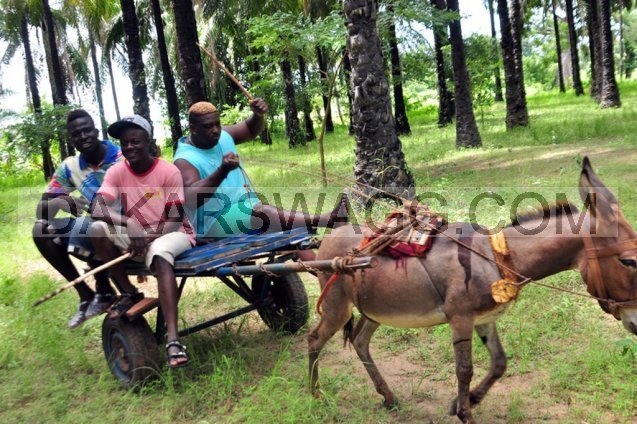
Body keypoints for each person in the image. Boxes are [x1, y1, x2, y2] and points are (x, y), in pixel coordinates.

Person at [89, 114, 195, 368]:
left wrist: (146, 238)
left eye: (135, 141)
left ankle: (172, 339)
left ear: (149, 141)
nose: (129, 147)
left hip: (174, 233)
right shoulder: (117, 171)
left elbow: (173, 220)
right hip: (138, 235)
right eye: (124, 143)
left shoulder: (168, 171)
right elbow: (97, 207)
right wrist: (129, 224)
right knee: (96, 229)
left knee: (159, 253)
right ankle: (128, 291)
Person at [173, 99, 348, 246]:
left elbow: (250, 129)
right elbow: (191, 199)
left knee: (292, 234)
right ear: (193, 127)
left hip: (246, 208)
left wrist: (258, 115)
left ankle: (323, 273)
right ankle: (328, 219)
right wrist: (222, 170)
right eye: (207, 126)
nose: (215, 130)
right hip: (214, 222)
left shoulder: (222, 135)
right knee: (265, 213)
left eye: (217, 124)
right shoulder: (185, 159)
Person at [33, 109, 121, 329]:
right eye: (76, 134)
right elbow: (41, 211)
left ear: (96, 131)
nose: (83, 137)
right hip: (96, 226)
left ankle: (105, 290)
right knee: (40, 230)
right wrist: (61, 202)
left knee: (88, 226)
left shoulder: (122, 157)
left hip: (125, 225)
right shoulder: (70, 167)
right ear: (71, 138)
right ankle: (86, 295)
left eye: (86, 130)